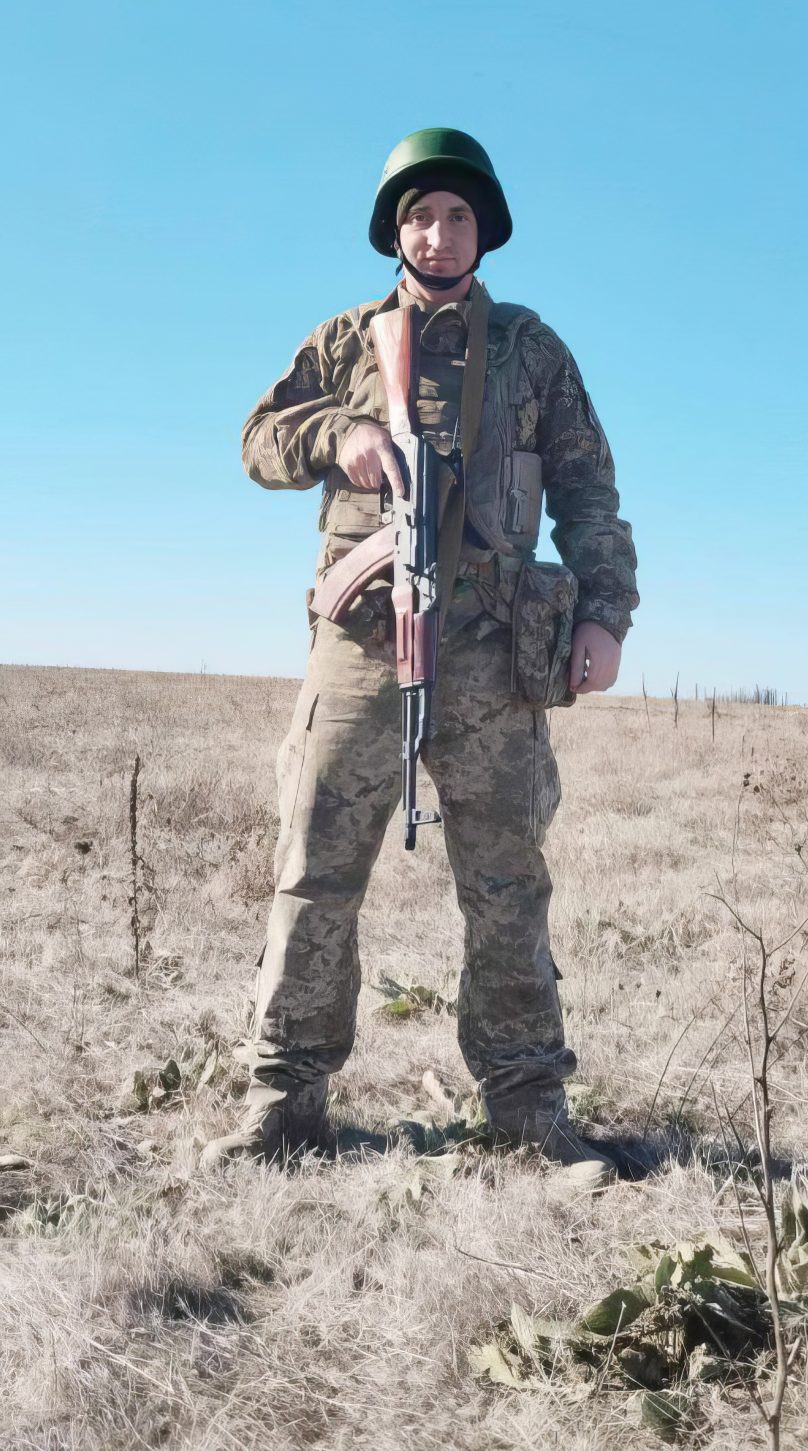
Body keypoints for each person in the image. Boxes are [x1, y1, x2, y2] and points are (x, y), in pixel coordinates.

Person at [202, 129, 638, 1185]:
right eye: (417, 216)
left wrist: (604, 614)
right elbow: (258, 438)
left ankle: (528, 1108)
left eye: (455, 215)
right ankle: (283, 1103)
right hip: (361, 644)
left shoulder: (531, 348)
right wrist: (340, 433)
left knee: (506, 884)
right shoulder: (346, 339)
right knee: (314, 871)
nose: (436, 234)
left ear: (483, 230)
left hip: (493, 650)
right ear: (392, 231)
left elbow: (587, 489)